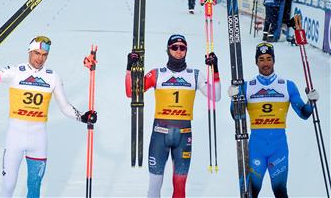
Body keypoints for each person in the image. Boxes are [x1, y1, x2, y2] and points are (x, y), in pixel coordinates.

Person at [0, 36, 97, 198]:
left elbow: (65, 106)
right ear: (29, 52)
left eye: (44, 55)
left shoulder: (52, 76)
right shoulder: (15, 72)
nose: (40, 58)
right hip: (15, 139)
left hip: (38, 140)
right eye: (36, 53)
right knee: (8, 186)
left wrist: (82, 117)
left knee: (34, 187)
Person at [125, 34, 221, 198]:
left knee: (180, 186)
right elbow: (131, 92)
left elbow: (216, 96)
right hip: (159, 135)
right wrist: (130, 68)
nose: (178, 51)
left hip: (184, 137)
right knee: (155, 185)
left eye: (182, 48)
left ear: (186, 51)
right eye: (174, 47)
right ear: (168, 50)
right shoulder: (157, 74)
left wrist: (215, 70)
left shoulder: (195, 75)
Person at [228, 42, 319, 197]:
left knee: (280, 191)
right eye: (261, 59)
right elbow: (236, 116)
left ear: (274, 61)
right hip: (256, 149)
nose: (265, 63)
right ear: (256, 62)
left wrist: (311, 102)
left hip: (279, 149)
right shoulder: (246, 86)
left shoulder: (287, 86)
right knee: (251, 193)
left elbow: (304, 114)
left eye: (269, 58)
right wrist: (234, 99)